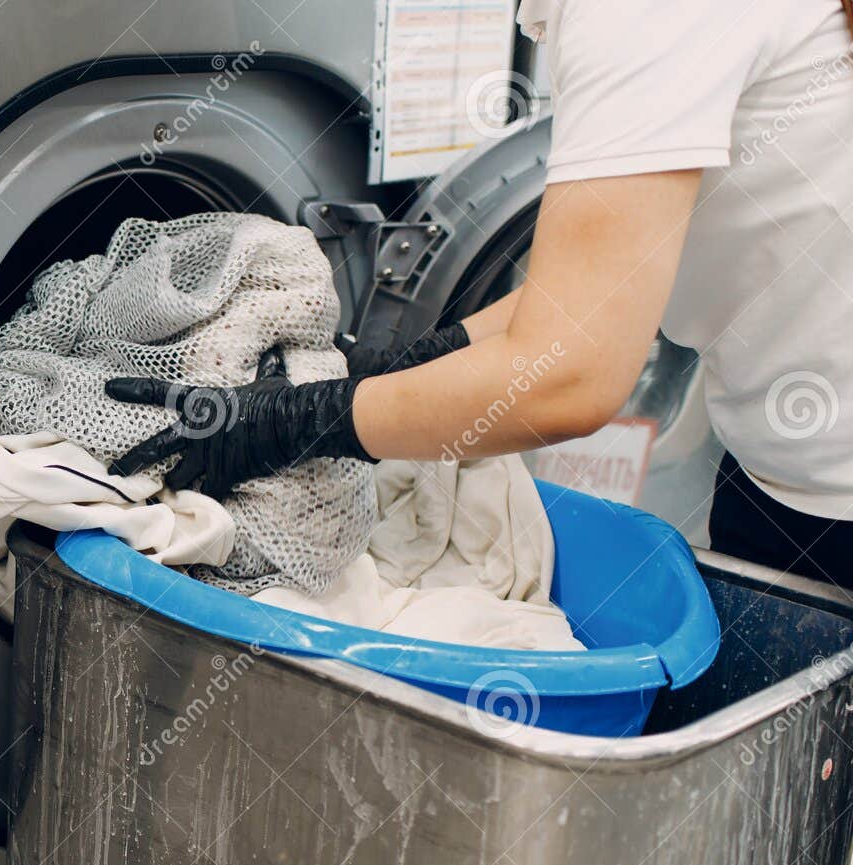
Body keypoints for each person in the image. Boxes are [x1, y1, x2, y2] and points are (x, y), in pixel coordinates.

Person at [104, 0, 853, 589]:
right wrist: (416, 363)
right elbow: (612, 281)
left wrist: (295, 421)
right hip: (783, 479)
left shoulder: (643, 11)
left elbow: (569, 378)